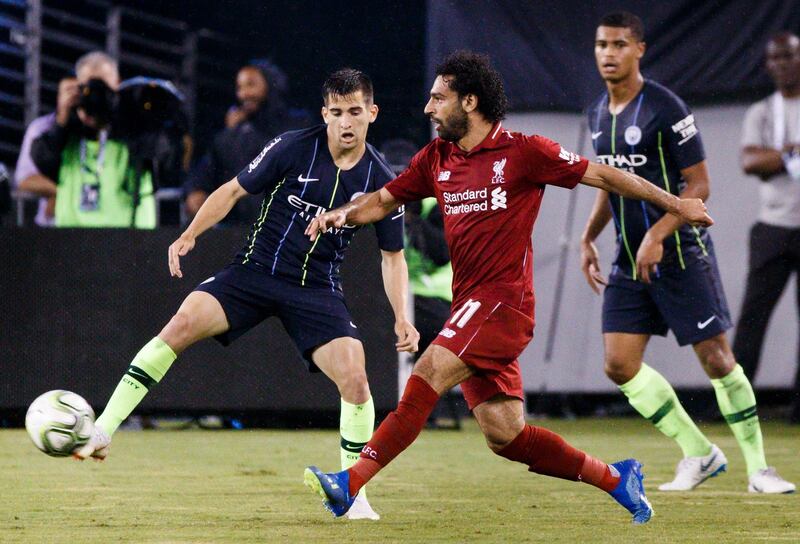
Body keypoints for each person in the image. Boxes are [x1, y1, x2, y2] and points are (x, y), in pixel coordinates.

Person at [301, 50, 714, 524]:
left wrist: (677, 205)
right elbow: (383, 200)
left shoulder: (525, 152)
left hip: (503, 304)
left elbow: (603, 174)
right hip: (469, 306)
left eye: (438, 98)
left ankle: (350, 483)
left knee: (429, 371)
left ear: (470, 102)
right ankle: (618, 478)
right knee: (506, 436)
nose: (428, 108)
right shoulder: (437, 158)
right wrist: (342, 215)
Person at [74, 68, 420, 521]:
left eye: (355, 111)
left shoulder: (381, 178)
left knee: (356, 379)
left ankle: (352, 493)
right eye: (337, 112)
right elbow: (234, 190)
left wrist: (401, 317)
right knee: (179, 325)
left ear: (372, 113)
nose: (346, 122)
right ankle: (103, 430)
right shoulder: (294, 146)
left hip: (316, 289)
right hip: (254, 272)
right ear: (325, 113)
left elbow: (392, 257)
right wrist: (190, 235)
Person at [579, 12, 795, 493]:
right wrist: (589, 235)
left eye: (618, 44)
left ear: (640, 50)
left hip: (680, 252)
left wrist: (657, 235)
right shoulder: (596, 113)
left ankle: (760, 469)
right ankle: (699, 452)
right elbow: (608, 181)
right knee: (619, 364)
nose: (608, 54)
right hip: (628, 259)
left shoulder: (665, 106)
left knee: (718, 359)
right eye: (601, 44)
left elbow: (700, 185)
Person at [733, 32, 800, 424]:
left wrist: (775, 156)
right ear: (768, 65)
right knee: (752, 320)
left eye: (789, 56)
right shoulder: (762, 111)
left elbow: (763, 160)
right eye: (775, 58)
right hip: (773, 228)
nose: (782, 64)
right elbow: (749, 162)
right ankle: (736, 406)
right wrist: (790, 152)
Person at [30, 51, 162, 228]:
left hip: (131, 240)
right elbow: (42, 160)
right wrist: (63, 118)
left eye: (103, 87)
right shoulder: (67, 129)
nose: (96, 95)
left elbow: (168, 163)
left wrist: (123, 115)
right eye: (89, 87)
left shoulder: (137, 125)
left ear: (118, 85)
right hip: (71, 240)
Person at [382, 139, 462, 428]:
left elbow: (443, 254)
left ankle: (418, 407)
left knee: (418, 325)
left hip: (434, 296)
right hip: (398, 297)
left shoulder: (435, 204)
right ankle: (381, 402)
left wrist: (414, 219)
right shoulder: (381, 203)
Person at [184, 60, 310, 225]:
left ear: (271, 85)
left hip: (293, 228)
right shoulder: (232, 135)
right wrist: (195, 190)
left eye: (251, 85)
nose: (243, 94)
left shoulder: (300, 125)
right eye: (239, 87)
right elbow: (207, 169)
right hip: (241, 233)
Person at [15, 112, 57, 226]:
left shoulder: (108, 128)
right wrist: (58, 193)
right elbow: (24, 180)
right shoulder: (43, 126)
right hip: (52, 227)